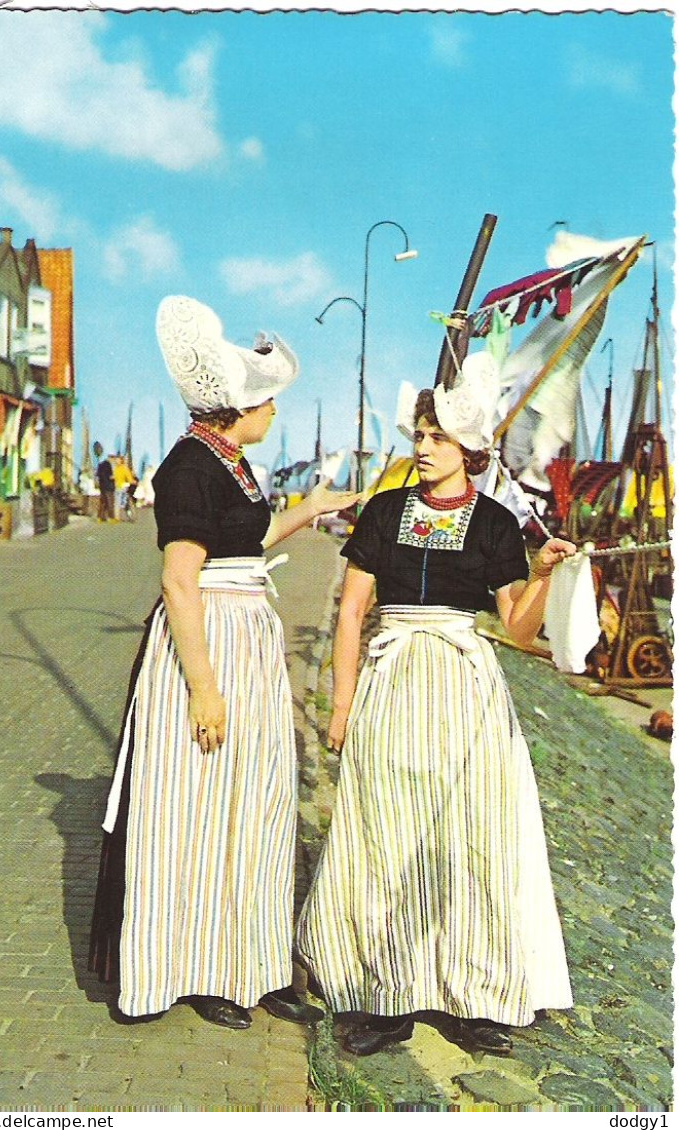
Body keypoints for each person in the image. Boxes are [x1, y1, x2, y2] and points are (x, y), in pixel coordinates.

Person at [89, 295, 359, 1031]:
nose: (274, 414)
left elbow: (249, 541)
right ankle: (195, 967)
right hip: (205, 643)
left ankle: (253, 959)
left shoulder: (233, 463)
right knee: (198, 807)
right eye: (268, 403)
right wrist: (202, 689)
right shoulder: (187, 469)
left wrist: (314, 508)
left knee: (257, 801)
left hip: (250, 638)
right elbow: (181, 580)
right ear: (240, 407)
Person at [296, 361, 576, 1058]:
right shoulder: (385, 511)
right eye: (420, 433)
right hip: (390, 683)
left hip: (463, 690)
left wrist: (540, 576)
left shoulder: (494, 523)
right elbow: (353, 608)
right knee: (382, 833)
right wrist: (340, 703)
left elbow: (516, 630)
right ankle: (384, 997)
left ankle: (476, 998)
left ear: (469, 451)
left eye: (438, 437)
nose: (422, 447)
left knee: (471, 837)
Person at [96, 456, 115, 522]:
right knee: (110, 502)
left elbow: (98, 475)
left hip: (102, 486)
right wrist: (113, 478)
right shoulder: (109, 465)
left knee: (103, 502)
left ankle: (100, 517)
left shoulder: (100, 465)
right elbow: (110, 476)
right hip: (109, 486)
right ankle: (111, 517)